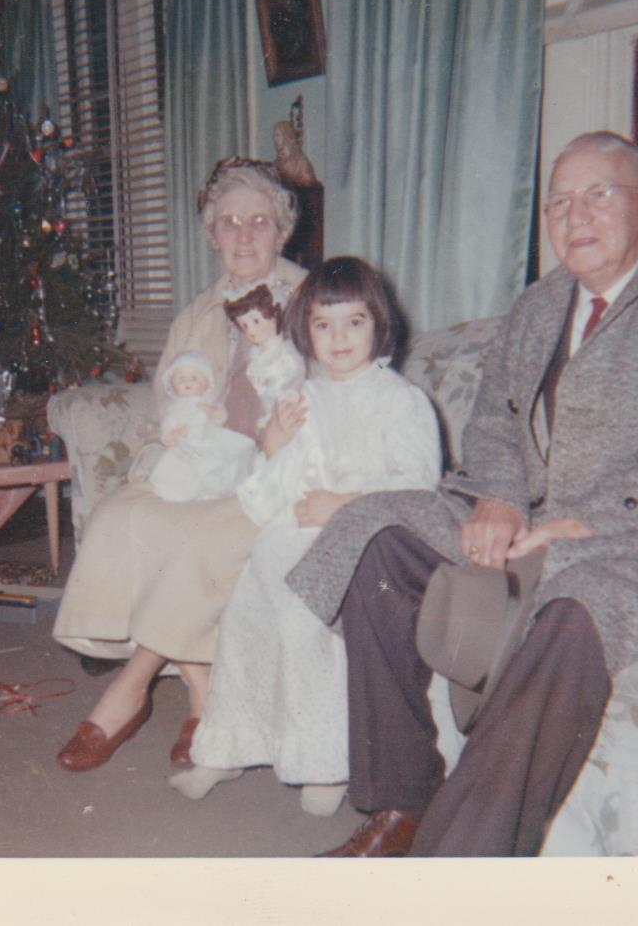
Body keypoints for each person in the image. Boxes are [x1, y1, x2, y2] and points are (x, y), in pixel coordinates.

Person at [284, 131, 638, 856]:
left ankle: (462, 861)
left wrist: (583, 523)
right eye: (558, 202)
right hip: (526, 515)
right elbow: (495, 423)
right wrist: (500, 500)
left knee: (580, 607)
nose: (575, 215)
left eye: (599, 195)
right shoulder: (540, 303)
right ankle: (401, 800)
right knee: (378, 535)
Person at [53, 157, 307, 771]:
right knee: (120, 514)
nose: (243, 235)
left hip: (275, 470)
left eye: (259, 221)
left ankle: (129, 690)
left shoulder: (313, 299)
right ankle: (201, 688)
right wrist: (181, 436)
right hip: (203, 461)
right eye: (229, 222)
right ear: (212, 235)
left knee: (198, 536)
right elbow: (168, 401)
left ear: (282, 232)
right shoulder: (196, 314)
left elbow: (333, 398)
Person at [171, 257, 441, 816]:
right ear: (305, 332)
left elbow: (419, 486)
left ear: (379, 324)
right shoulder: (305, 396)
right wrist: (273, 444)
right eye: (323, 325)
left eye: (354, 322)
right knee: (246, 611)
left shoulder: (400, 400)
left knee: (301, 615)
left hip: (366, 539)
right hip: (297, 533)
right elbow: (281, 480)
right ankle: (230, 744)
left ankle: (325, 761)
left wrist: (342, 503)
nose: (338, 339)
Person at [147, 350, 257, 503]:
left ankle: (215, 490)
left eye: (194, 378)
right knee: (181, 465)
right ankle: (186, 492)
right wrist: (175, 433)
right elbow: (166, 433)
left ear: (206, 384)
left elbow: (221, 417)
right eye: (180, 378)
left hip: (210, 439)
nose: (187, 383)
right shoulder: (174, 408)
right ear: (171, 384)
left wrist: (213, 411)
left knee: (223, 459)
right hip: (186, 444)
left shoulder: (209, 402)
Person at [223, 282, 305, 430]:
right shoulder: (254, 356)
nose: (251, 331)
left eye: (256, 321)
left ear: (273, 316)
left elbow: (299, 374)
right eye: (244, 325)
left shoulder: (284, 349)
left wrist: (290, 395)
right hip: (266, 414)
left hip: (290, 409)